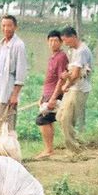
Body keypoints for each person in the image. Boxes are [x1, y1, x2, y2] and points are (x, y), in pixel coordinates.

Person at [0, 15, 28, 138]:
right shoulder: (2, 43)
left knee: (7, 126)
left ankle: (8, 154)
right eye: (3, 25)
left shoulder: (19, 45)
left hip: (8, 91)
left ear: (15, 27)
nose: (6, 28)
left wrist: (15, 95)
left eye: (9, 25)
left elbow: (20, 73)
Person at [34, 30, 70, 159]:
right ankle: (49, 148)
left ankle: (49, 150)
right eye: (50, 40)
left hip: (54, 94)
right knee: (48, 120)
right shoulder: (53, 57)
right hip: (48, 93)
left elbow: (62, 78)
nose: (53, 43)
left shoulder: (61, 57)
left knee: (42, 119)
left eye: (56, 40)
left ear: (61, 42)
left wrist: (54, 98)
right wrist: (42, 97)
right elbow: (50, 78)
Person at [57, 26, 93, 154]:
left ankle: (74, 150)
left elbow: (76, 74)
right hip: (73, 88)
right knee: (60, 116)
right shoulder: (74, 51)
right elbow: (72, 71)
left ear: (73, 37)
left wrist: (66, 85)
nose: (65, 43)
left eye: (65, 40)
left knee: (66, 119)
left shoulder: (82, 51)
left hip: (79, 89)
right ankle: (74, 142)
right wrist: (66, 76)